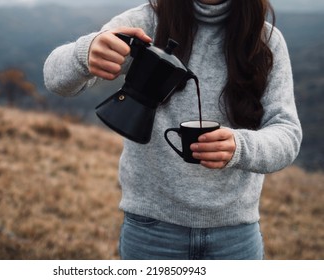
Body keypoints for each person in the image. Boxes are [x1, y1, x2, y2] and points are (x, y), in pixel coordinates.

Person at [43, 0, 302, 260]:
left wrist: (239, 147)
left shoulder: (264, 40)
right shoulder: (146, 24)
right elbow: (56, 80)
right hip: (151, 233)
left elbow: (287, 133)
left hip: (235, 237)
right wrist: (85, 53)